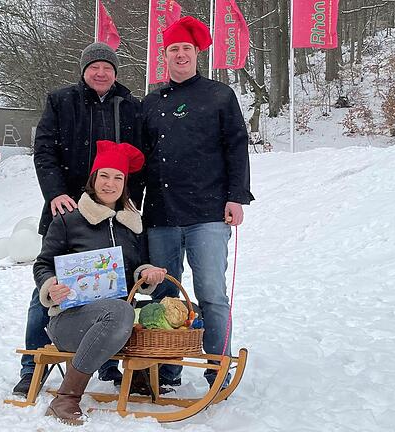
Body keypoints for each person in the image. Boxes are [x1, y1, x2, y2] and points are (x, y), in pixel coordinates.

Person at [15, 42, 143, 396]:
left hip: (112, 211)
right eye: (94, 67)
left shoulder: (130, 106)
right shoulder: (61, 101)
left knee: (112, 285)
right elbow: (44, 151)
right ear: (83, 70)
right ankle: (33, 365)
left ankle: (106, 362)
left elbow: (138, 160)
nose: (101, 73)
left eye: (108, 67)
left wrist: (129, 204)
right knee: (51, 287)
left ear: (116, 73)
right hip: (68, 209)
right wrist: (56, 193)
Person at [140, 16, 255, 388]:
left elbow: (236, 147)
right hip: (160, 215)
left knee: (211, 294)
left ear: (196, 53)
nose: (180, 55)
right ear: (165, 57)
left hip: (208, 213)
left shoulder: (219, 95)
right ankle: (165, 367)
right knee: (162, 294)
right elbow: (140, 158)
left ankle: (216, 368)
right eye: (173, 49)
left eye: (186, 49)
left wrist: (236, 197)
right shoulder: (150, 102)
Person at [33, 140, 167, 425]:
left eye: (118, 177)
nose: (111, 183)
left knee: (172, 309)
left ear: (125, 182)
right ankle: (66, 398)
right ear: (93, 179)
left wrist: (147, 274)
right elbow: (42, 264)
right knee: (120, 312)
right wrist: (50, 287)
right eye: (104, 176)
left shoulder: (131, 224)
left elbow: (136, 268)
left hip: (116, 318)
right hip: (68, 321)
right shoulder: (69, 219)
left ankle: (139, 377)